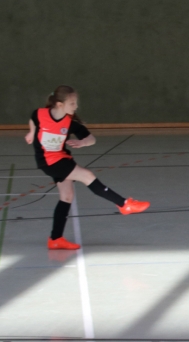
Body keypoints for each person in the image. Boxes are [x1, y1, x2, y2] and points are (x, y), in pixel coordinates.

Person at [25, 86, 150, 250]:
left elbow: (91, 139)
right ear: (60, 104)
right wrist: (32, 132)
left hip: (61, 158)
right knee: (87, 176)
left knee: (66, 197)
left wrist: (82, 142)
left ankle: (55, 239)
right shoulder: (40, 114)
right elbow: (33, 119)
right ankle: (124, 204)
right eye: (72, 103)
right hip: (48, 161)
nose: (76, 106)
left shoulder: (70, 123)